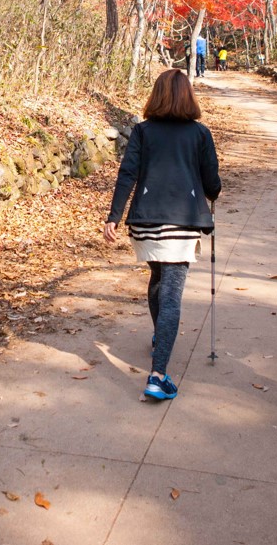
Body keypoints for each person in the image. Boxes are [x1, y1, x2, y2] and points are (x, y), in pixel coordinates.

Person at [105, 69, 221, 401]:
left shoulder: (143, 132)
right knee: (171, 294)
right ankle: (158, 376)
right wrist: (213, 188)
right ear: (188, 96)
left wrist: (114, 217)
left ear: (156, 95)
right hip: (182, 221)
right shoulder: (200, 134)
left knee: (157, 279)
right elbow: (212, 183)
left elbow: (128, 173)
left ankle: (161, 337)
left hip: (145, 220)